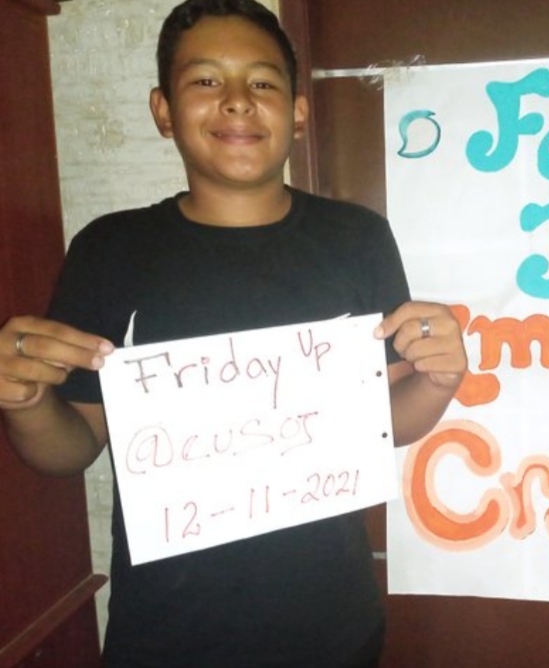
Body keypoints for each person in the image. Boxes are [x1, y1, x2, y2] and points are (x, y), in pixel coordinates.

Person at [0, 0, 467, 666]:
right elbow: (71, 447)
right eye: (206, 80)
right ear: (164, 110)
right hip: (166, 634)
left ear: (298, 112)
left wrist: (438, 381)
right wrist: (24, 402)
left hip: (333, 625)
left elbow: (384, 420)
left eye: (263, 82)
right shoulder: (110, 249)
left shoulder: (356, 238)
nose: (239, 100)